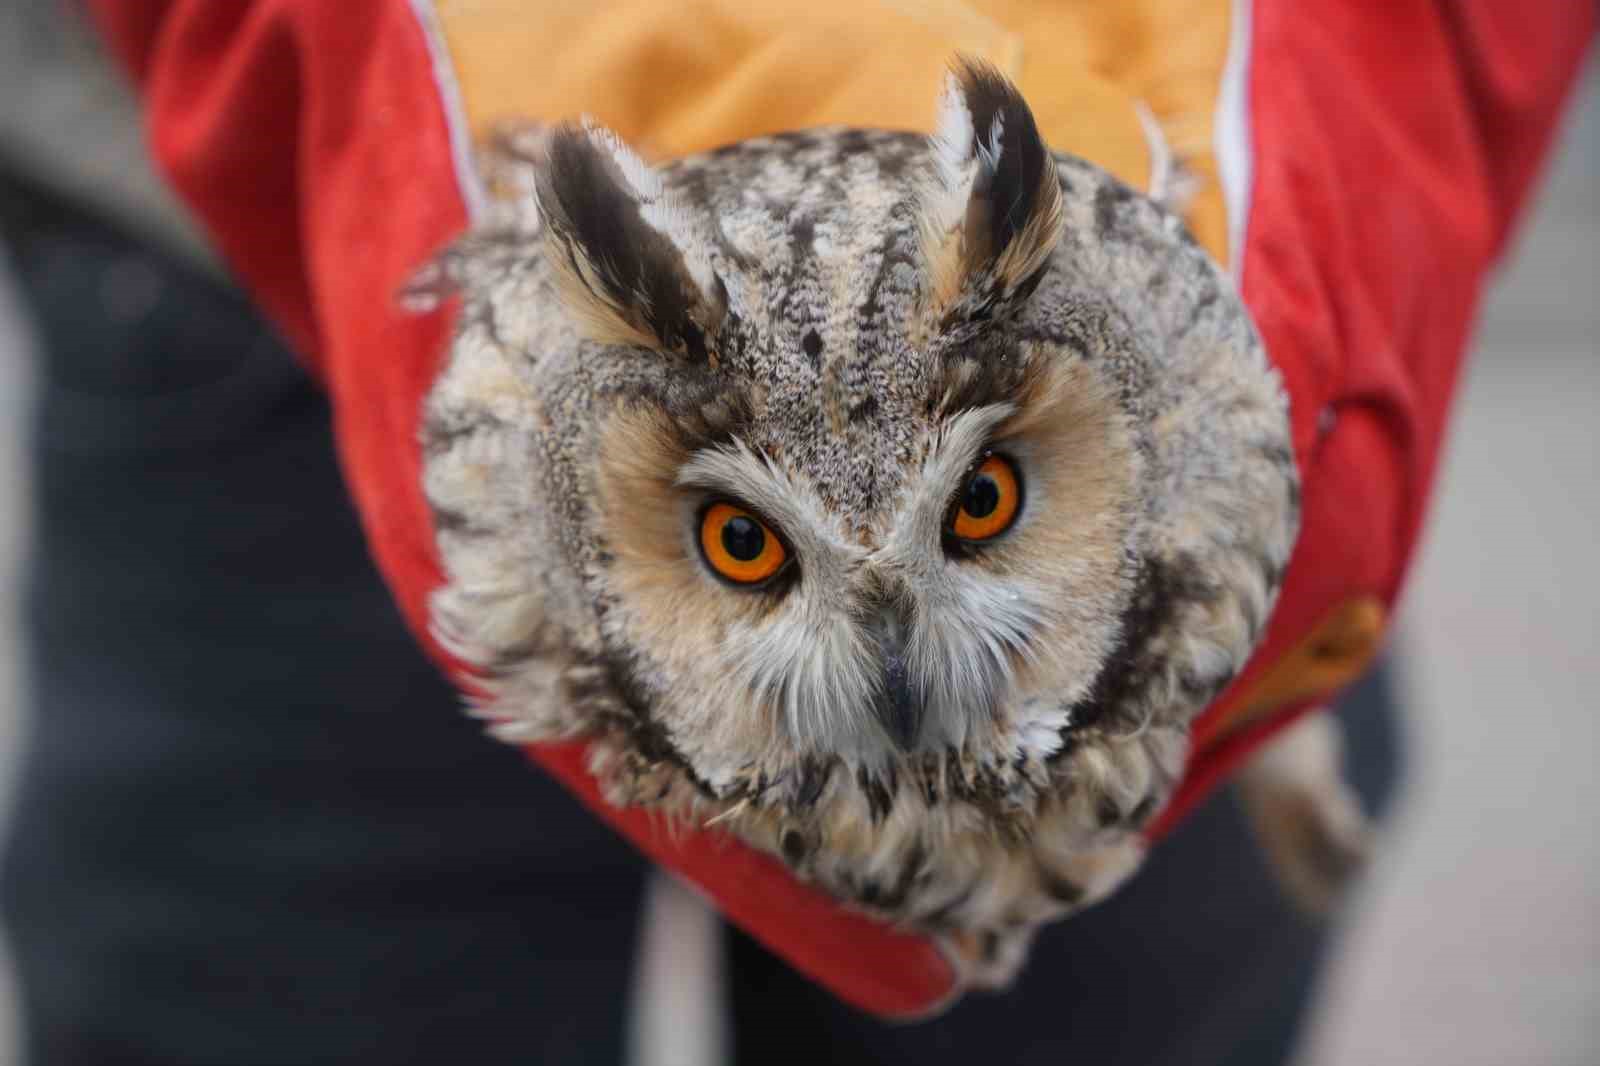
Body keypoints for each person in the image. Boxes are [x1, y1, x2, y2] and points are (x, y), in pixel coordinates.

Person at [0, 2, 1589, 1062]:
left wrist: (1343, 166)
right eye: (750, 546)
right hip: (252, 319)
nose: (890, 666)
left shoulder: (1161, 421)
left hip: (1140, 262)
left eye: (985, 497)